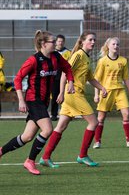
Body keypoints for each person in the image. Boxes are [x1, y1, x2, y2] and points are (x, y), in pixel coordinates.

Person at [0, 30, 74, 175]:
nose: (55, 44)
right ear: (43, 44)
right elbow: (18, 79)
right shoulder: (33, 60)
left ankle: (1, 150)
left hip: (44, 101)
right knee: (47, 129)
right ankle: (30, 161)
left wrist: (70, 82)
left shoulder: (56, 57)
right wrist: (21, 100)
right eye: (52, 42)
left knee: (27, 137)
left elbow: (68, 68)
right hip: (33, 100)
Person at [40, 31, 107, 168]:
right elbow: (65, 72)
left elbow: (91, 78)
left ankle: (45, 157)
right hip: (73, 94)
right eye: (90, 40)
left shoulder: (86, 58)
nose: (93, 42)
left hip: (74, 94)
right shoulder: (78, 55)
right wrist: (61, 93)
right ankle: (82, 155)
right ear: (82, 41)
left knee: (61, 126)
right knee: (94, 122)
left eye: (94, 40)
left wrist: (102, 88)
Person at [92, 37, 129, 149]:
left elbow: (126, 78)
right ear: (108, 46)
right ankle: (97, 141)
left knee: (127, 114)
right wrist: (96, 94)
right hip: (106, 91)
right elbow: (96, 79)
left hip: (120, 90)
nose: (116, 46)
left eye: (117, 44)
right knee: (101, 118)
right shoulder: (102, 61)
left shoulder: (123, 61)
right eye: (113, 44)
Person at [50, 34, 72, 121]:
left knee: (66, 96)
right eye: (59, 41)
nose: (60, 43)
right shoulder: (52, 52)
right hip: (54, 77)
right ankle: (54, 115)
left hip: (64, 77)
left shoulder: (68, 52)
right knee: (55, 96)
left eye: (62, 41)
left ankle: (67, 114)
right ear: (56, 42)